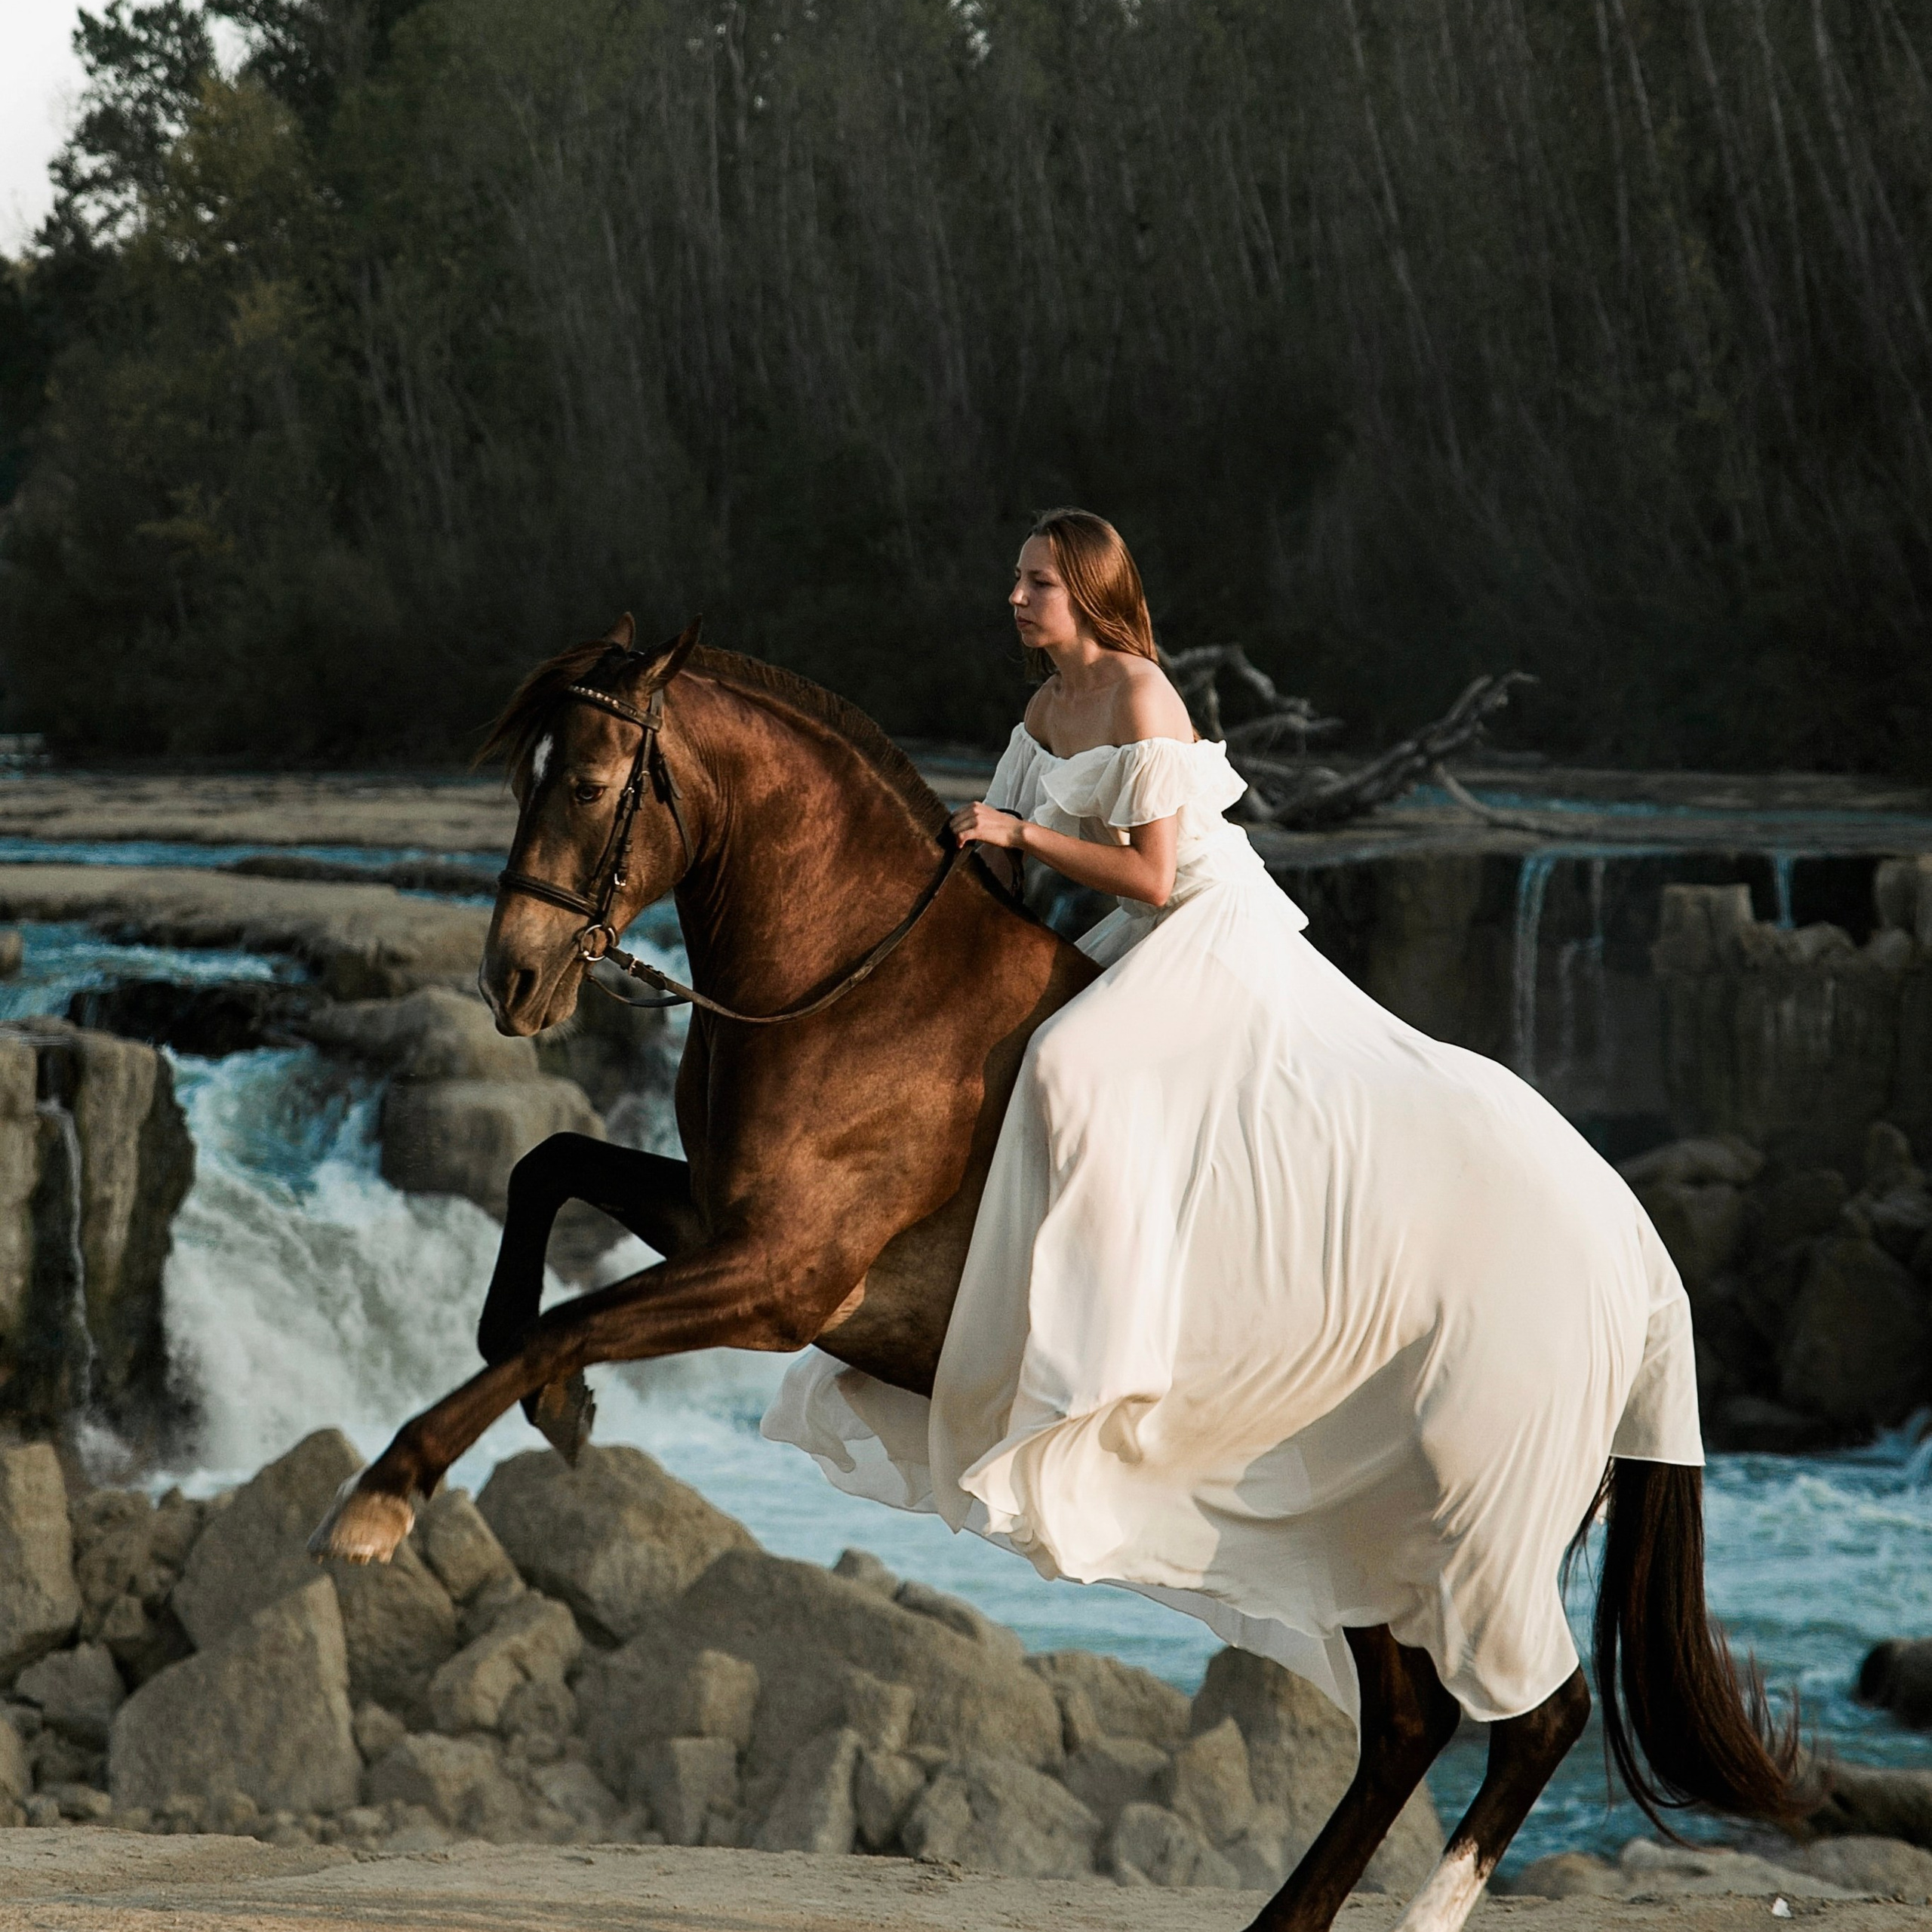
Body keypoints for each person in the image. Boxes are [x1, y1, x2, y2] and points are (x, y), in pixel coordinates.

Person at [762, 507, 1700, 1728]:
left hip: (1203, 925)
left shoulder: (1139, 695)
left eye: (1037, 582)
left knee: (1070, 1067)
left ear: (1089, 593)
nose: (1016, 598)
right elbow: (998, 870)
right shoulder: (1044, 706)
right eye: (1016, 581)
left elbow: (1152, 874)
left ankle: (1095, 1346)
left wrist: (1022, 831)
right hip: (1133, 924)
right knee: (1008, 1052)